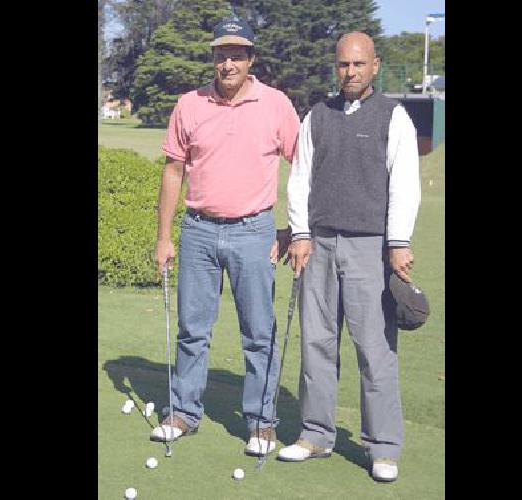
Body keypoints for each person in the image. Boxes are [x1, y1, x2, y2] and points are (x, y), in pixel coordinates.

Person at [151, 16, 300, 458]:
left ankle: (261, 421)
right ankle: (182, 412)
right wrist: (164, 237)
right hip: (197, 231)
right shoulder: (189, 104)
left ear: (251, 59)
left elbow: (302, 167)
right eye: (221, 54)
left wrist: (294, 227)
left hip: (254, 230)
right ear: (213, 58)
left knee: (259, 332)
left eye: (237, 54)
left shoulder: (275, 104)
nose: (228, 62)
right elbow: (174, 171)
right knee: (192, 330)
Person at [276, 32, 421, 483]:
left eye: (358, 64)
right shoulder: (317, 115)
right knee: (316, 344)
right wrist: (300, 232)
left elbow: (405, 184)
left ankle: (383, 447)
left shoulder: (393, 116)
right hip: (317, 245)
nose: (350, 72)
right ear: (335, 67)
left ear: (375, 66)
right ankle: (315, 434)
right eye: (343, 65)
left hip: (369, 247)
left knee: (374, 350)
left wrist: (398, 242)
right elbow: (299, 179)